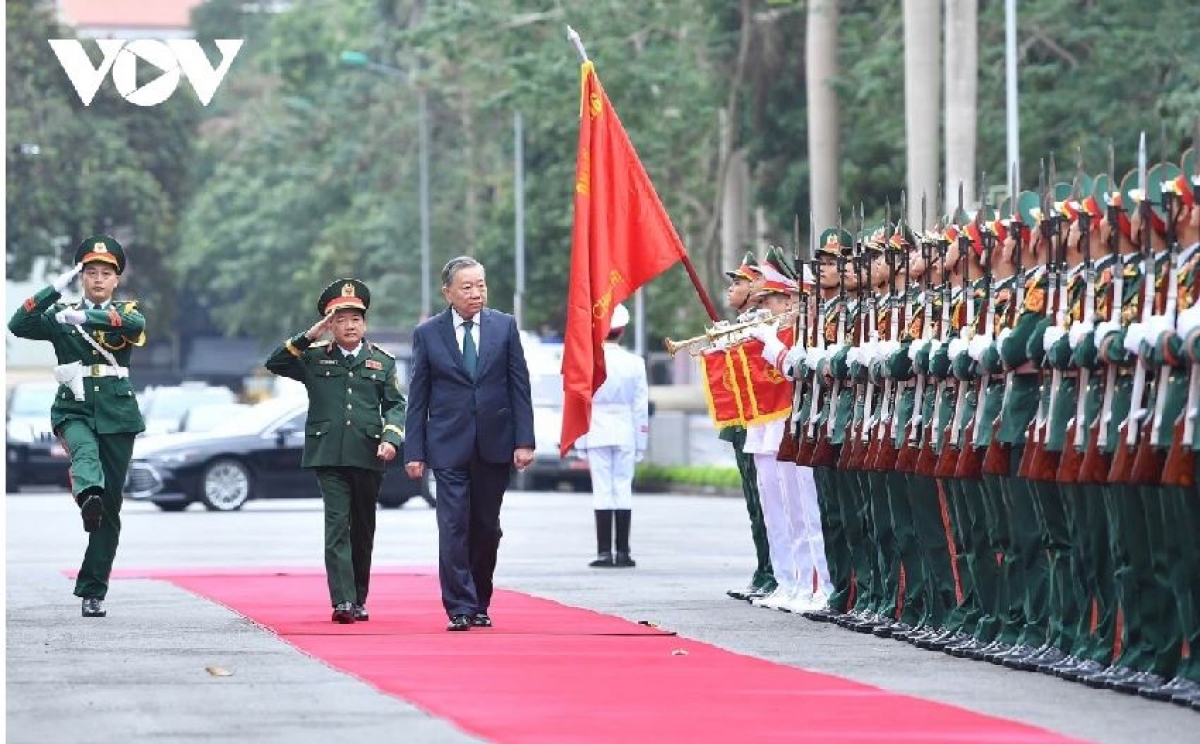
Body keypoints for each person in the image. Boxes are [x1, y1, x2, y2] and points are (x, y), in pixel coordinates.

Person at [8, 235, 146, 618]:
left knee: (111, 508)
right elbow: (18, 324)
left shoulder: (125, 312)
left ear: (116, 280)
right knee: (85, 456)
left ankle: (93, 589)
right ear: (81, 278)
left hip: (117, 413)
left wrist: (85, 316)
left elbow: (135, 325)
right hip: (75, 407)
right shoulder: (60, 313)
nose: (98, 279)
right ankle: (87, 496)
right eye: (90, 273)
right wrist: (54, 289)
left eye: (105, 273)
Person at [404, 257, 535, 632]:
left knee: (486, 527)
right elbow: (419, 396)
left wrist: (524, 440)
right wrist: (415, 451)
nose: (476, 293)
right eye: (467, 287)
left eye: (481, 285)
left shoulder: (504, 327)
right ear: (447, 292)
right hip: (447, 446)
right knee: (453, 525)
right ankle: (459, 606)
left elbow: (518, 386)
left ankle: (480, 600)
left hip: (495, 445)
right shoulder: (428, 333)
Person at [265, 278, 406, 624]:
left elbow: (396, 405)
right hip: (328, 454)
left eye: (355, 318)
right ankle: (342, 601)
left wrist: (391, 438)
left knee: (363, 528)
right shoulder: (314, 358)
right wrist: (310, 335)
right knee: (337, 525)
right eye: (340, 319)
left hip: (368, 454)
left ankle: (359, 597)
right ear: (330, 324)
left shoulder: (382, 362)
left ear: (365, 323)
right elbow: (276, 363)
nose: (349, 325)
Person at [574, 303, 650, 568]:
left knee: (602, 489)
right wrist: (642, 441)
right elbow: (641, 406)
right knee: (623, 488)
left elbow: (580, 402)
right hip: (626, 429)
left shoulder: (589, 362)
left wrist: (580, 439)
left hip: (596, 429)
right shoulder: (635, 363)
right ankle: (624, 552)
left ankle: (604, 552)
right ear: (623, 331)